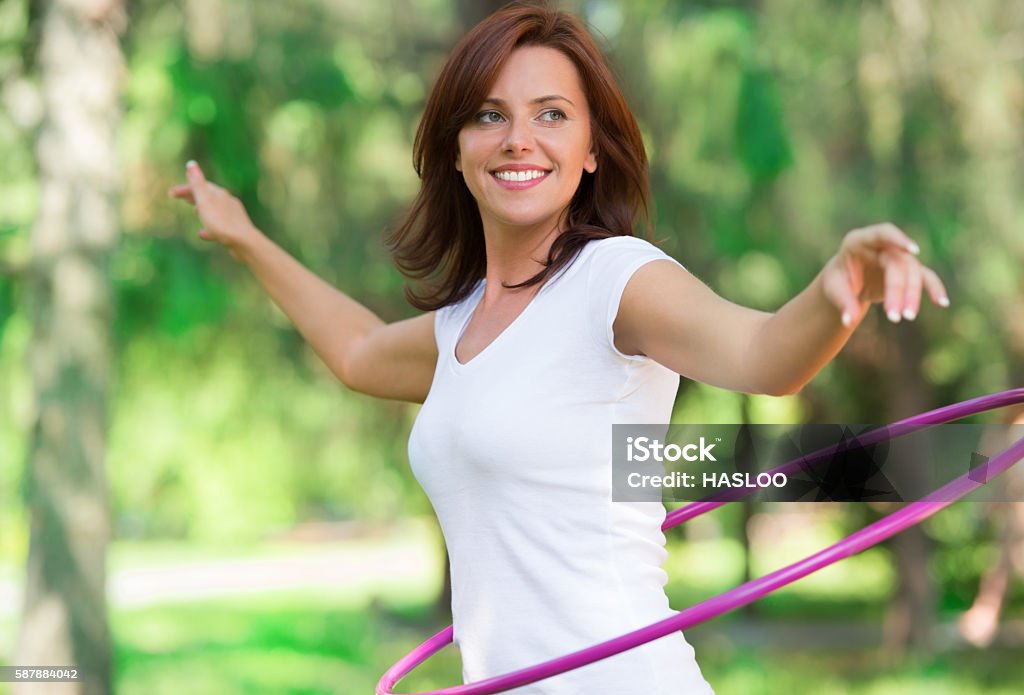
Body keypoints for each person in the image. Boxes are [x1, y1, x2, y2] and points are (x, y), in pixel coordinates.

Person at [169, 3, 949, 693]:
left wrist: (836, 288)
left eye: (551, 115)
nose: (518, 140)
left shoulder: (616, 280)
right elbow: (359, 350)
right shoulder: (459, 325)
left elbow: (765, 355)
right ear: (455, 148)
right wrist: (244, 237)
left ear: (591, 150)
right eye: (487, 115)